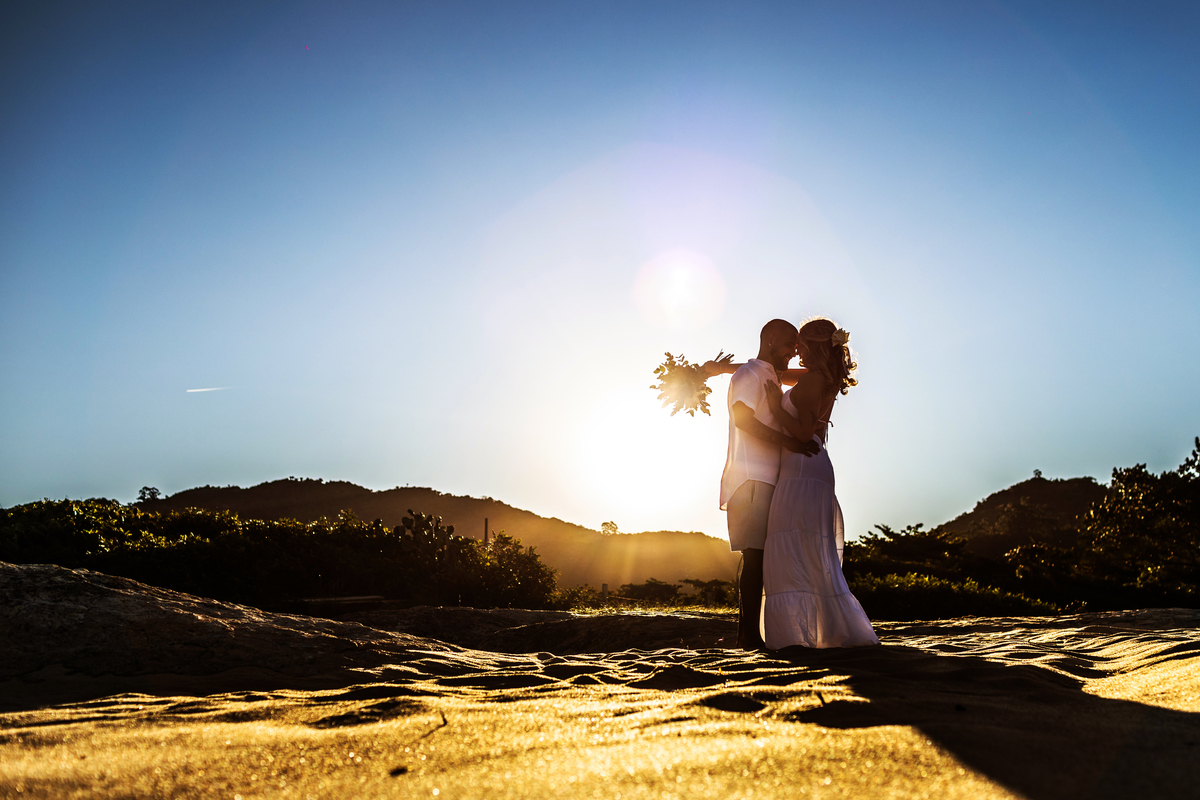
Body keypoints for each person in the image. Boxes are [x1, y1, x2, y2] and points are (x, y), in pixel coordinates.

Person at [760, 317, 879, 649]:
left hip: (802, 467)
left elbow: (802, 433)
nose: (796, 347)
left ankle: (802, 636)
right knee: (804, 549)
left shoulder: (814, 381)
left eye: (800, 342)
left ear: (812, 345)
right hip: (808, 468)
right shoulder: (820, 377)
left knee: (795, 546)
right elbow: (771, 372)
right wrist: (726, 370)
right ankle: (811, 633)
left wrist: (773, 406)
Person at [709, 319, 819, 650]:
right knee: (755, 558)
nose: (794, 352)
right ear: (770, 340)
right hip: (751, 479)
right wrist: (793, 445)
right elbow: (742, 418)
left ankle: (758, 633)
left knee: (768, 558)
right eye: (790, 344)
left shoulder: (769, 375)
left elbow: (811, 376)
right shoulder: (750, 375)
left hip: (771, 480)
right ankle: (747, 637)